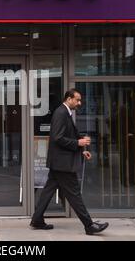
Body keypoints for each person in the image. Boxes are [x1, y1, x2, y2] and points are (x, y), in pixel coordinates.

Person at [30, 89, 109, 235]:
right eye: (77, 100)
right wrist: (78, 143)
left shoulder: (65, 112)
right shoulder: (61, 113)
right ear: (68, 99)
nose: (79, 103)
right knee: (74, 194)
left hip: (59, 162)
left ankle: (37, 219)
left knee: (48, 191)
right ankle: (89, 225)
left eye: (80, 100)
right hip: (63, 163)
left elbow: (66, 136)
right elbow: (58, 138)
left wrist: (81, 150)